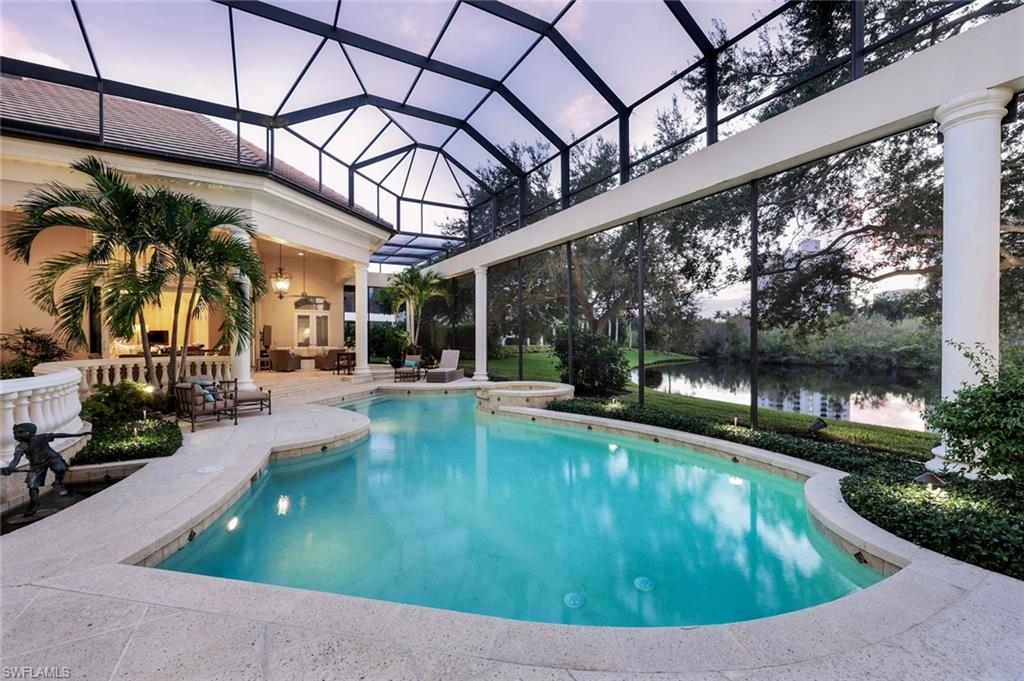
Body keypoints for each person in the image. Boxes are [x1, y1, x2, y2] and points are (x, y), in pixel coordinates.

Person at [1, 423, 89, 516]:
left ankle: (58, 482)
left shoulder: (42, 438)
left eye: (21, 432)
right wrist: (11, 467)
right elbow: (16, 459)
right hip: (36, 466)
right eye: (15, 433)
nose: (17, 435)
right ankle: (34, 503)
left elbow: (58, 435)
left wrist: (78, 435)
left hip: (52, 458)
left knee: (60, 468)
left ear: (31, 432)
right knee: (32, 486)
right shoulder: (20, 447)